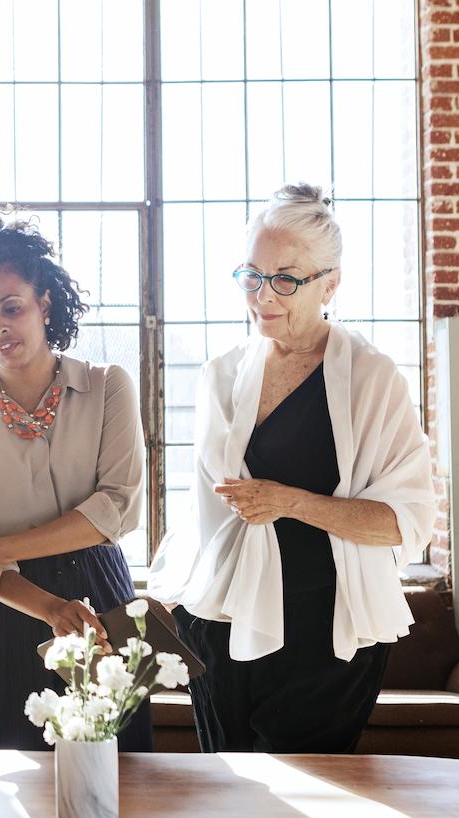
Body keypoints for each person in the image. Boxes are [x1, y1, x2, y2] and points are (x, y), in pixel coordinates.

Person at [148, 183, 438, 753]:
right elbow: (201, 509)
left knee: (310, 805)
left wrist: (291, 502)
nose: (263, 296)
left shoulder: (373, 379)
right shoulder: (221, 376)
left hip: (330, 630)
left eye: (286, 278)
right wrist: (170, 593)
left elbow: (405, 522)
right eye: (252, 276)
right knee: (230, 804)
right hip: (222, 624)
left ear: (331, 284)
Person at [0, 215, 153, 751]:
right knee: (9, 792)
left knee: (122, 774)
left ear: (45, 303)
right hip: (4, 606)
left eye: (11, 308)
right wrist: (46, 606)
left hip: (101, 598)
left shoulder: (108, 387)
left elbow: (118, 509)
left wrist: (0, 548)